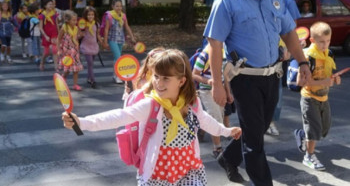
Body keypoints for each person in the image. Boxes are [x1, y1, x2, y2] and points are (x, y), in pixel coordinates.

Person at [203, 0, 312, 185]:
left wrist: (302, 62)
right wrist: (217, 84)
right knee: (255, 143)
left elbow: (288, 32)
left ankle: (228, 158)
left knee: (259, 128)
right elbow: (215, 44)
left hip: (272, 77)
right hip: (245, 78)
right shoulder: (227, 0)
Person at [62, 49, 242, 185]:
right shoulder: (151, 105)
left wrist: (226, 131)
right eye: (156, 76)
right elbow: (119, 116)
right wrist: (81, 122)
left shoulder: (191, 102)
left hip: (188, 170)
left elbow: (205, 120)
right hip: (158, 174)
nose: (158, 82)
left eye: (166, 78)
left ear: (181, 81)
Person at [294, 22, 341, 171]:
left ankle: (303, 135)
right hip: (309, 97)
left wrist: (335, 78)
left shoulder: (329, 54)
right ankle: (309, 156)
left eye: (328, 41)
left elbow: (329, 74)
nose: (325, 45)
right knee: (314, 130)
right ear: (313, 41)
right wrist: (324, 81)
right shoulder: (308, 57)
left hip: (323, 97)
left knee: (323, 129)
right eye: (321, 42)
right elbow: (300, 82)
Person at [266, 0, 301, 136]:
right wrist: (289, 48)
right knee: (276, 88)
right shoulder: (287, 0)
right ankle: (270, 121)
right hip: (280, 50)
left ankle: (265, 121)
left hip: (266, 48)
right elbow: (291, 28)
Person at [192, 45, 230, 158]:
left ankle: (201, 129)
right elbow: (194, 74)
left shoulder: (225, 53)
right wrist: (208, 81)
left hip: (220, 90)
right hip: (206, 91)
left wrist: (228, 92)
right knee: (216, 118)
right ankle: (217, 148)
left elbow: (225, 75)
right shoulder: (204, 55)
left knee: (218, 116)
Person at [103, 0, 136, 84]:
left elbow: (127, 27)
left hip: (121, 39)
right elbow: (106, 29)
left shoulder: (123, 16)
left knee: (116, 58)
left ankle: (115, 75)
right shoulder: (109, 16)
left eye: (120, 6)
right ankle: (118, 76)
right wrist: (105, 41)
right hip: (112, 39)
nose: (119, 8)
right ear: (112, 6)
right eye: (117, 6)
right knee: (118, 58)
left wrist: (132, 36)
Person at [57, 10, 84, 91]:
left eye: (76, 20)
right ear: (67, 20)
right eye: (73, 20)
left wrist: (80, 35)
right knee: (68, 69)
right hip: (67, 52)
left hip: (75, 51)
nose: (75, 22)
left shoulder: (76, 28)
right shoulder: (64, 28)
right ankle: (63, 77)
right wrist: (59, 50)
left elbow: (79, 36)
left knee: (76, 69)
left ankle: (75, 84)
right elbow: (59, 39)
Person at [80, 6, 102, 89]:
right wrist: (80, 34)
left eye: (92, 15)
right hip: (86, 46)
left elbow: (98, 35)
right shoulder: (83, 24)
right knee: (90, 64)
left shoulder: (96, 24)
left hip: (94, 46)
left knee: (91, 64)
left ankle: (89, 78)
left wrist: (103, 42)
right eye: (89, 15)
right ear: (85, 15)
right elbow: (79, 33)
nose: (90, 16)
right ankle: (93, 80)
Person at [39, 0, 59, 71]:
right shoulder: (42, 15)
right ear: (45, 6)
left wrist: (59, 35)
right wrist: (45, 36)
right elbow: (41, 27)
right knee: (46, 52)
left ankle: (56, 66)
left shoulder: (54, 14)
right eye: (49, 4)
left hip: (54, 34)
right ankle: (42, 62)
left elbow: (57, 25)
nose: (51, 5)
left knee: (54, 50)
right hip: (46, 35)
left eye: (52, 4)